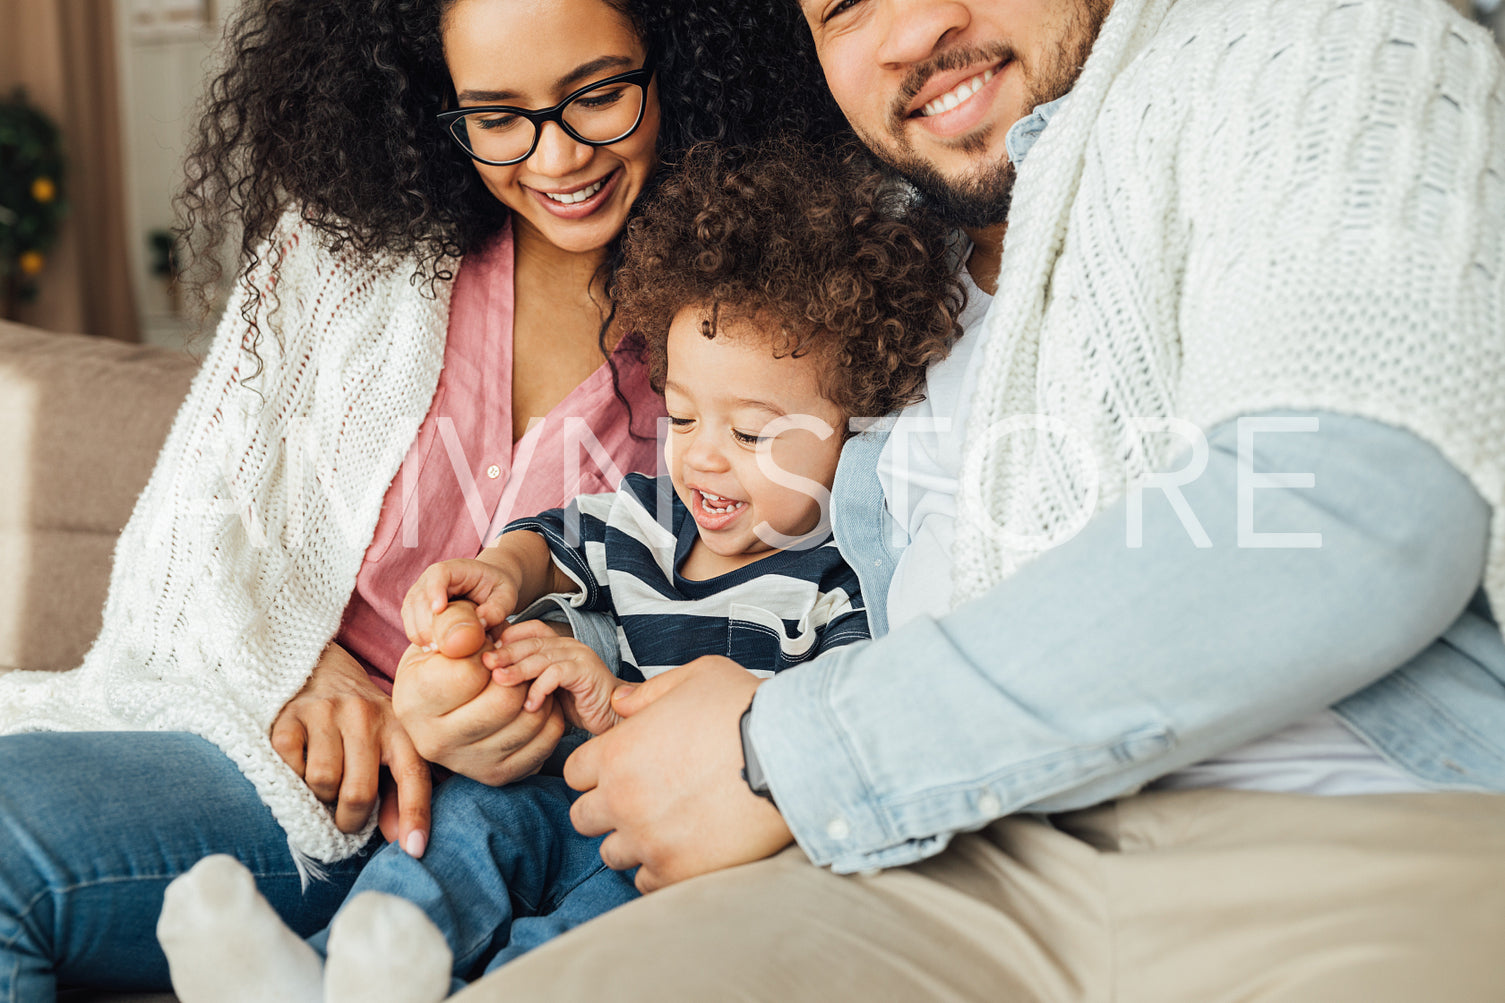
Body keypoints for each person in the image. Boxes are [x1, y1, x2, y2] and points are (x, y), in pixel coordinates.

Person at [463, 0, 1505, 999]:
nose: (915, 28)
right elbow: (693, 569)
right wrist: (503, 672)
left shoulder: (1303, 50)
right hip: (943, 868)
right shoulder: (863, 269)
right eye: (845, 6)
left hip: (1346, 835)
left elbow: (1347, 513)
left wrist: (788, 750)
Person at [0, 1, 845, 998]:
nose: (558, 156)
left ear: (683, 57)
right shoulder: (343, 252)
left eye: (599, 94)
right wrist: (297, 666)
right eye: (496, 114)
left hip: (537, 815)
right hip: (300, 771)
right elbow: (188, 540)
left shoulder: (772, 317)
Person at [154, 138, 964, 1003]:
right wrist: (501, 571)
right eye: (683, 416)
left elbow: (795, 741)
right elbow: (553, 536)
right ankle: (323, 974)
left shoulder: (840, 586)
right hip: (544, 796)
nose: (704, 461)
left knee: (587, 934)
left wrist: (606, 696)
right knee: (467, 825)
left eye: (753, 434)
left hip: (663, 851)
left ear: (857, 424)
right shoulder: (652, 518)